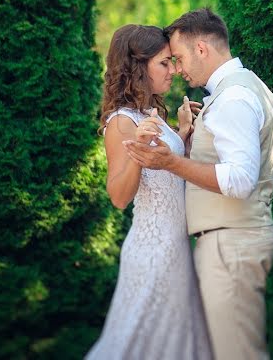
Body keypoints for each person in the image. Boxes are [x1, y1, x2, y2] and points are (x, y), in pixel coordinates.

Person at [124, 8, 273, 360]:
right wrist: (188, 139)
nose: (177, 69)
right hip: (234, 240)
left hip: (230, 245)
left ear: (201, 50)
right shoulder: (245, 88)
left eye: (178, 58)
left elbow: (240, 180)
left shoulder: (233, 98)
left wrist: (171, 161)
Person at [87, 24, 212, 360]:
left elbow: (170, 177)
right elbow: (118, 196)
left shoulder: (150, 113)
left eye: (172, 62)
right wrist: (138, 148)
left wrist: (183, 136)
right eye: (164, 63)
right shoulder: (122, 122)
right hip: (153, 252)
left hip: (176, 250)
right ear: (137, 67)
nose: (173, 70)